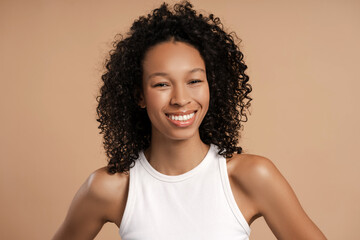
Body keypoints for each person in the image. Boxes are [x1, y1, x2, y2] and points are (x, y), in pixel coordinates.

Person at [52, 1, 326, 239]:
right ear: (139, 96)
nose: (181, 99)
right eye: (161, 84)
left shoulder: (252, 176)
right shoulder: (109, 188)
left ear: (212, 85)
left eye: (194, 80)